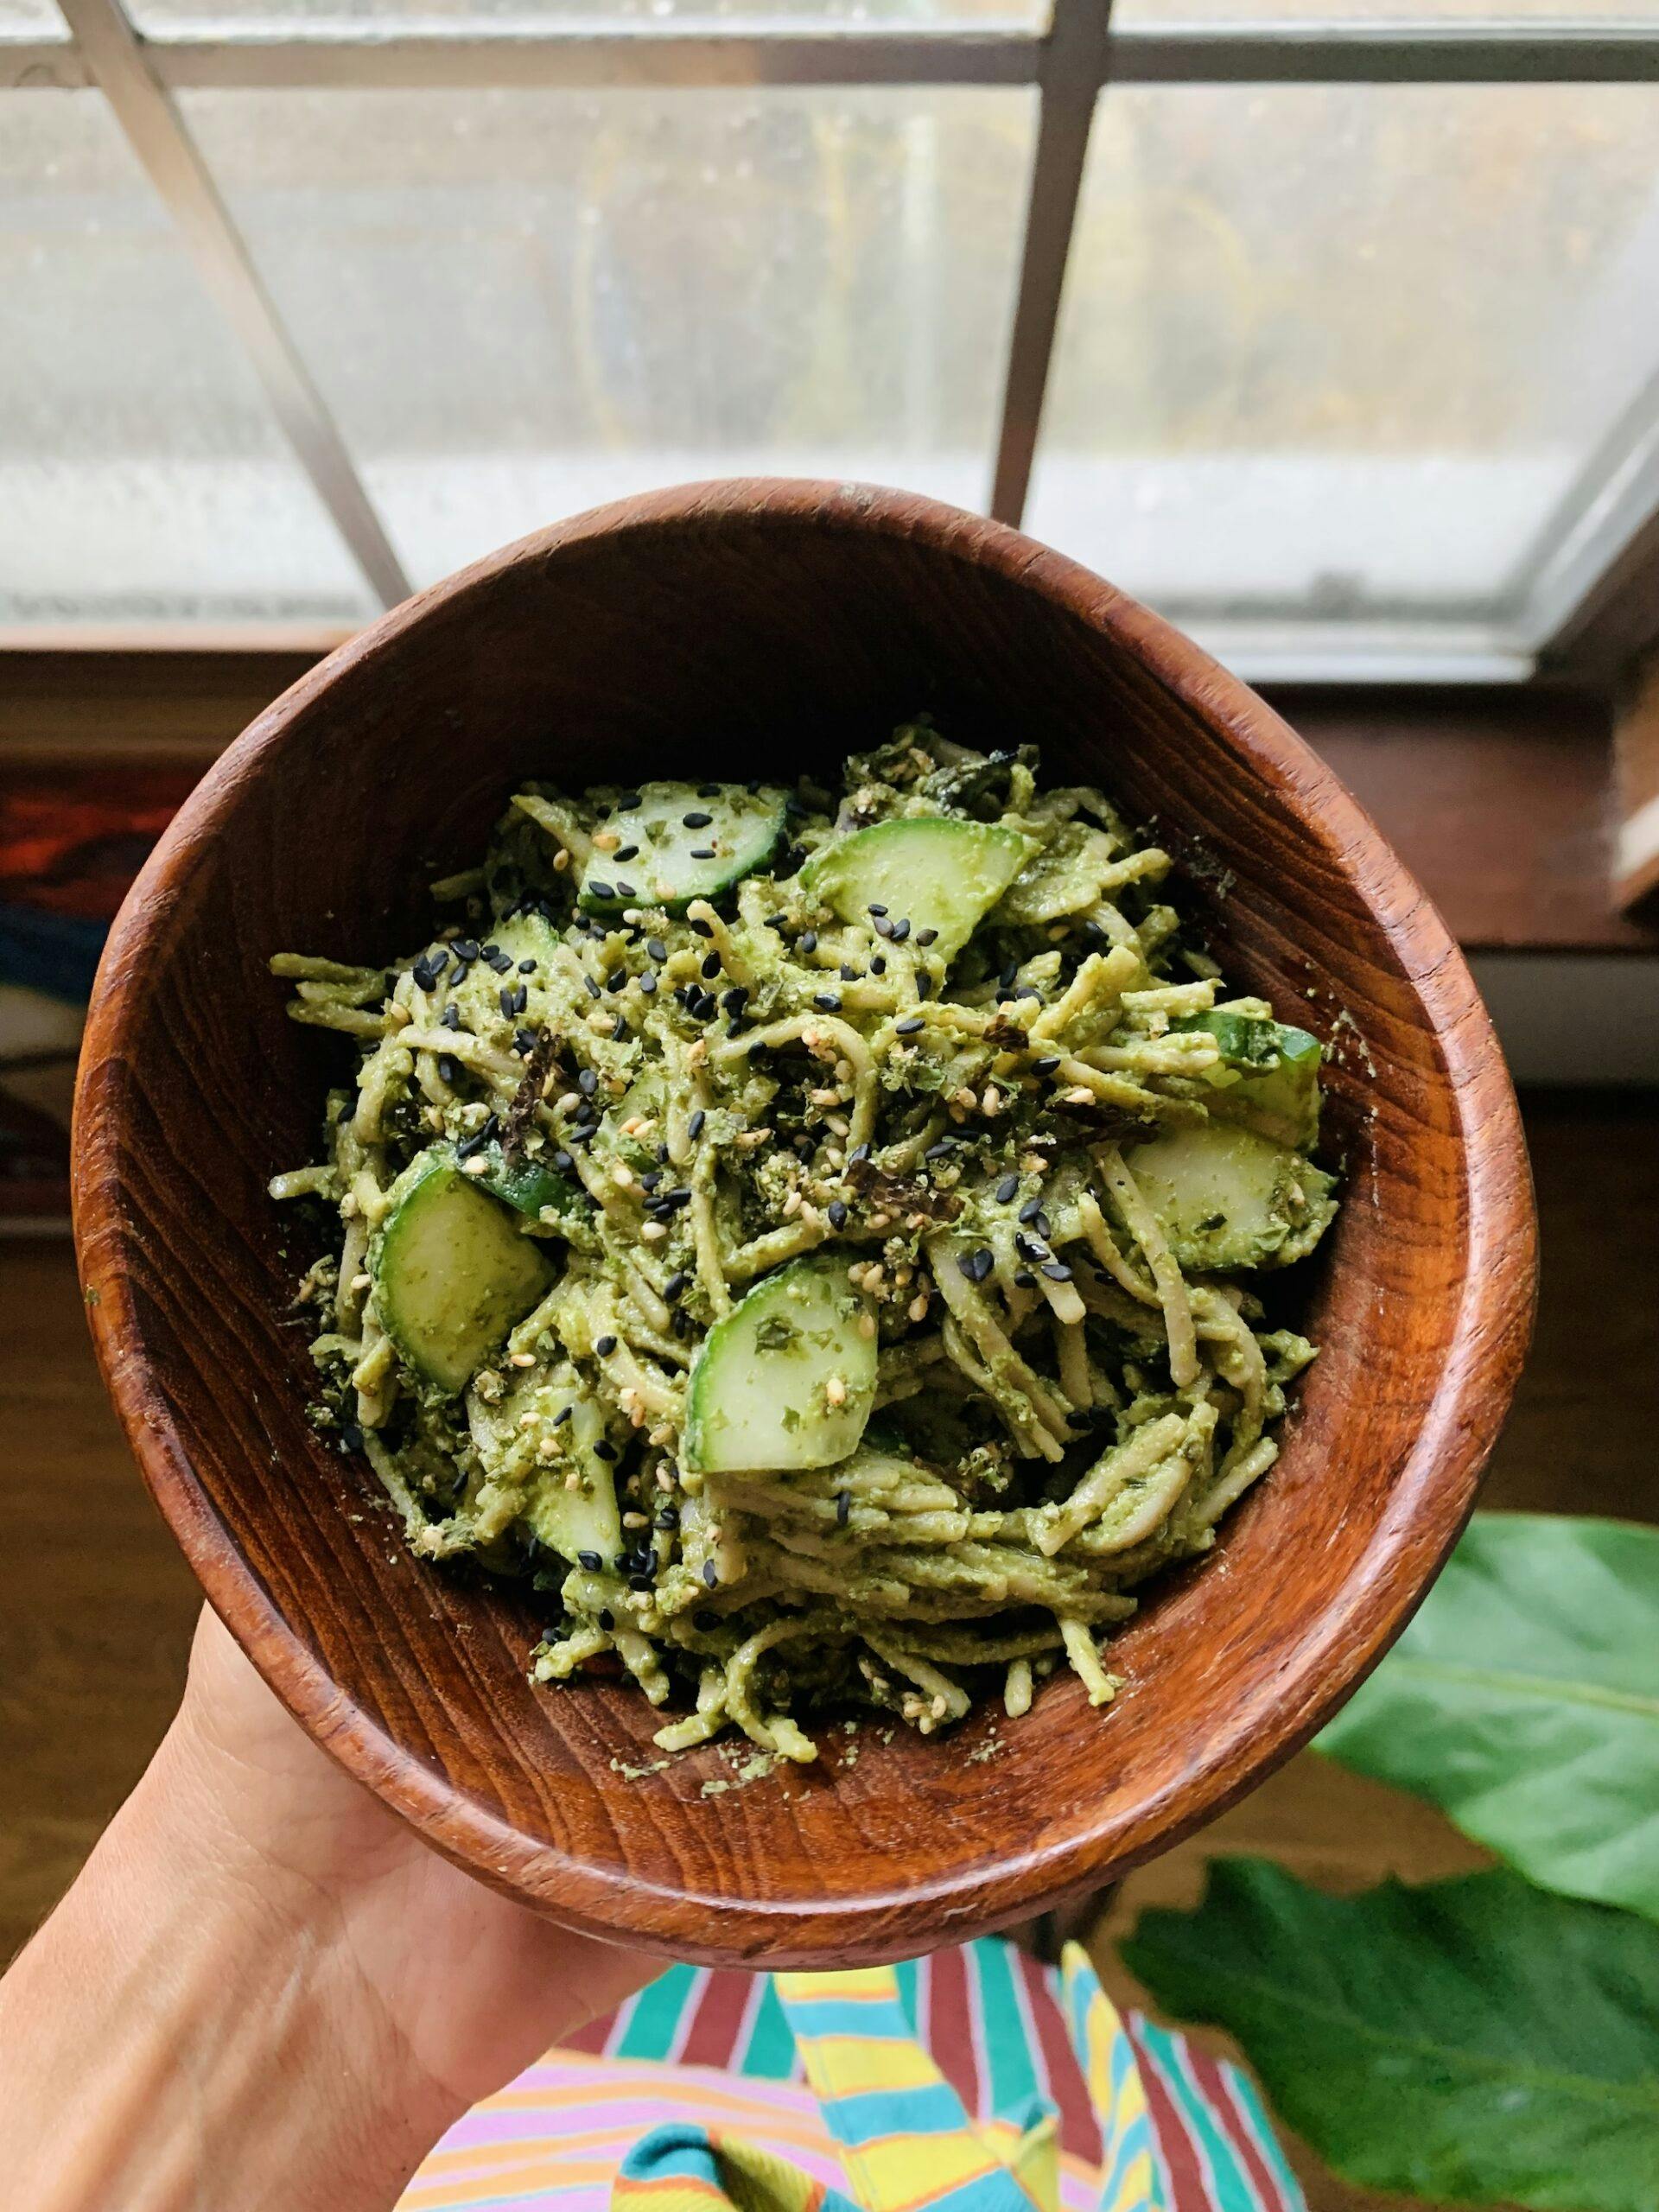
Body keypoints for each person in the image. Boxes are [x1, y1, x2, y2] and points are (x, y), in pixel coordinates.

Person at [0, 1610, 1302, 2212]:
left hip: (513, 2125)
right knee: (1008, 1984)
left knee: (925, 1890)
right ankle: (996, 1898)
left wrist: (269, 1934)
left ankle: (981, 1874)